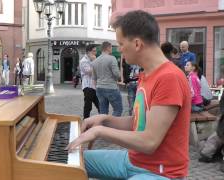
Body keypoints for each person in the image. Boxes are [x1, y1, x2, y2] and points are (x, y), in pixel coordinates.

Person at [66, 10, 191, 179]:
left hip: (160, 173)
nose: (119, 50)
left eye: (121, 44)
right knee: (69, 164)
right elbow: (138, 123)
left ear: (137, 44)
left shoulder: (169, 77)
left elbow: (149, 142)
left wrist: (100, 131)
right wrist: (105, 119)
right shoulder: (147, 74)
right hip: (133, 161)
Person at [92, 41, 123, 116]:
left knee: (103, 112)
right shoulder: (112, 58)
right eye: (111, 47)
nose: (112, 49)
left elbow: (94, 78)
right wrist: (120, 76)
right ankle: (111, 125)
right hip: (111, 87)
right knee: (118, 109)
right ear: (108, 48)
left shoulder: (95, 61)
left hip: (99, 88)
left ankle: (103, 126)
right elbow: (116, 74)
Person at [79, 44, 100, 119]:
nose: (95, 53)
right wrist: (95, 61)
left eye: (95, 51)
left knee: (99, 104)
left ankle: (103, 119)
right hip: (88, 86)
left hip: (94, 86)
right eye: (93, 51)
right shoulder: (83, 61)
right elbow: (90, 72)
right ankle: (85, 120)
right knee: (88, 106)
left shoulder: (92, 59)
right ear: (88, 52)